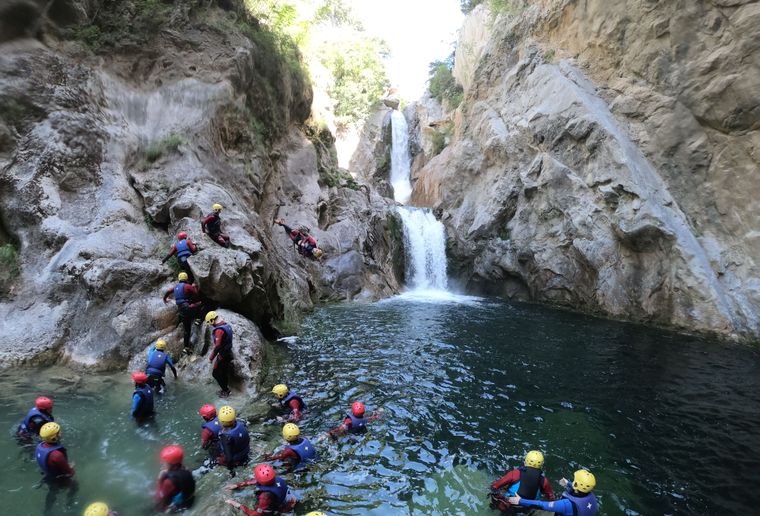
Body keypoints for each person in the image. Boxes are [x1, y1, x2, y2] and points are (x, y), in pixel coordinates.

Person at [508, 469, 598, 516]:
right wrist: (568, 484)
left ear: (577, 484)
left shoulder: (566, 504)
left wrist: (520, 501)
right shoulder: (591, 495)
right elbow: (579, 489)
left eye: (574, 480)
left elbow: (541, 505)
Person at [490, 450, 555, 513]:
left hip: (509, 506)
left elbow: (495, 486)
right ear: (541, 465)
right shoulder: (544, 481)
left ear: (525, 462)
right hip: (527, 510)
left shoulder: (515, 474)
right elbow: (551, 498)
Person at [224, 464, 297, 515]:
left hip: (276, 509)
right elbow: (255, 481)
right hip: (286, 501)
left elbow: (255, 514)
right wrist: (237, 485)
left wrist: (236, 504)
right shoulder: (278, 479)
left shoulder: (265, 497)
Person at [36, 422, 77, 511]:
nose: (61, 433)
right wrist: (72, 466)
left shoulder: (40, 445)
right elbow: (70, 473)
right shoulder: (56, 455)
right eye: (58, 432)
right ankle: (69, 503)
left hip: (48, 476)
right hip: (59, 479)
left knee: (53, 491)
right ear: (54, 438)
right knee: (75, 485)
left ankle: (47, 510)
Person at [163, 272, 204, 352]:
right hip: (188, 308)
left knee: (187, 330)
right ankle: (198, 319)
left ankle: (186, 348)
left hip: (181, 311)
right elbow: (196, 293)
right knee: (201, 303)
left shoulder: (175, 287)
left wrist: (165, 299)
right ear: (186, 279)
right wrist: (195, 286)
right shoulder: (187, 286)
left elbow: (168, 291)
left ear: (179, 279)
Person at [155, 445, 195, 512]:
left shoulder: (168, 482)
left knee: (152, 508)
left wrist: (160, 480)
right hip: (190, 499)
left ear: (170, 464)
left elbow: (159, 498)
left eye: (164, 463)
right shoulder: (187, 470)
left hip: (180, 507)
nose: (162, 464)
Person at [206, 311, 234, 397]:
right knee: (223, 373)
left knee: (215, 373)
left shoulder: (219, 330)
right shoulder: (227, 325)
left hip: (223, 355)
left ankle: (226, 391)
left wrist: (211, 358)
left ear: (212, 320)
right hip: (228, 353)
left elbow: (217, 346)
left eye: (209, 322)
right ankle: (225, 389)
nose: (210, 325)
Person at [217, 405, 250, 470]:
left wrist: (230, 470)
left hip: (237, 459)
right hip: (246, 451)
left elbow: (229, 458)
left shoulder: (225, 436)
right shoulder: (241, 424)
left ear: (221, 421)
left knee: (216, 460)